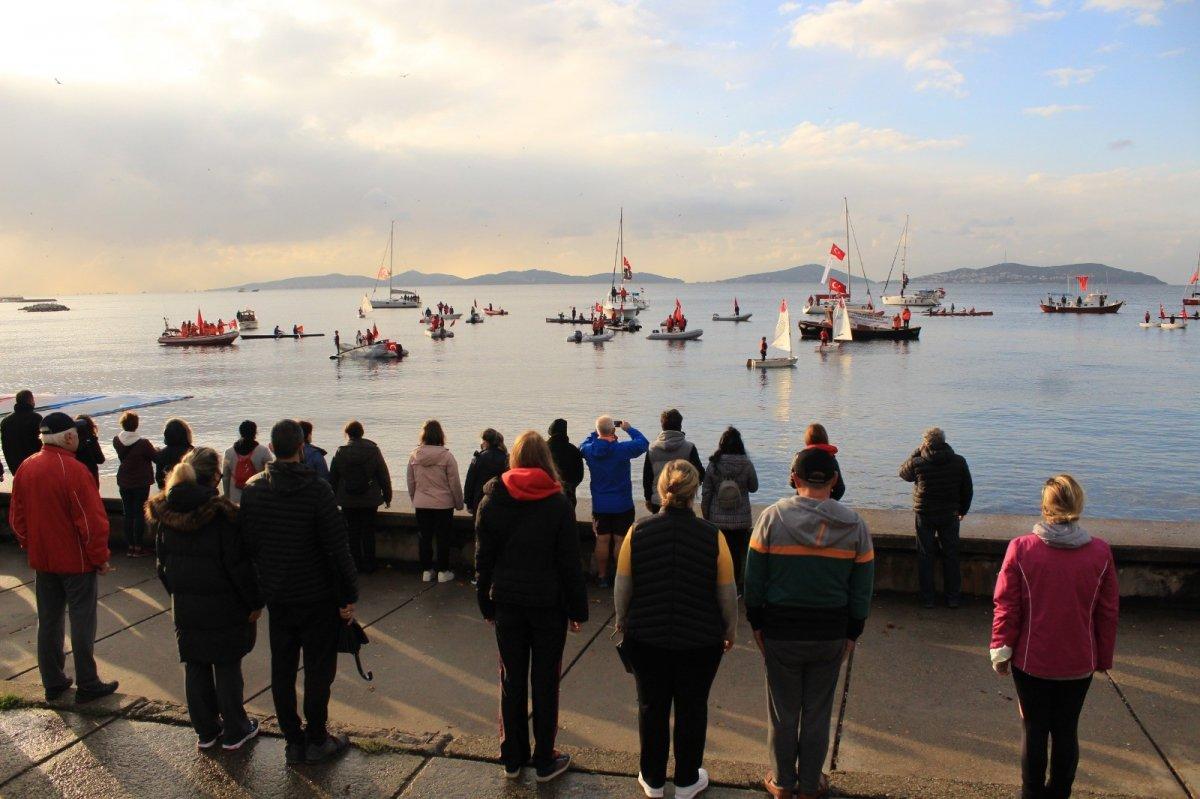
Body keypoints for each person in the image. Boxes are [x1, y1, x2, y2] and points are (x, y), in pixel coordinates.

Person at [745, 448, 874, 799]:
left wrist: (757, 623)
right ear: (834, 480)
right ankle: (811, 783)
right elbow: (862, 589)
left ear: (794, 478)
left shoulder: (772, 519)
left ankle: (782, 782)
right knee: (818, 712)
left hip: (781, 630)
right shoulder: (855, 525)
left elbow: (753, 581)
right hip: (830, 633)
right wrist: (853, 631)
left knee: (782, 712)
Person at [239, 420, 358, 766]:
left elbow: (247, 546)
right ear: (302, 448)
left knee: (282, 669)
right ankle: (317, 738)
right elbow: (337, 548)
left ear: (271, 449)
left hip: (278, 595)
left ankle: (293, 740)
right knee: (319, 670)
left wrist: (257, 593)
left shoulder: (254, 489)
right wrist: (348, 595)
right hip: (317, 595)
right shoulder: (317, 490)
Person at [991, 475, 1118, 799]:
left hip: (1031, 660)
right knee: (1066, 730)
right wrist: (1103, 657)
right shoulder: (1100, 553)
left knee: (1034, 729)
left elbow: (1007, 606)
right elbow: (1107, 612)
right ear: (1078, 504)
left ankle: (1031, 793)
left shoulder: (1021, 549)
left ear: (1045, 506)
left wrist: (1001, 649)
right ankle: (1060, 793)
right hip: (1079, 661)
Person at [615, 461, 737, 799]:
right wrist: (729, 630)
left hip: (646, 637)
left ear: (661, 489)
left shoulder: (637, 532)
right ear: (695, 491)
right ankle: (686, 779)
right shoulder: (713, 536)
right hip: (700, 640)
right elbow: (726, 592)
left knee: (651, 706)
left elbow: (623, 586)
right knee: (692, 707)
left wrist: (623, 620)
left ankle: (653, 779)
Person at [475, 431, 586, 783]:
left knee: (511, 679)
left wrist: (486, 605)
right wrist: (577, 611)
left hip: (507, 602)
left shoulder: (492, 500)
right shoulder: (558, 503)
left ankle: (512, 756)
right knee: (545, 681)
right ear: (545, 460)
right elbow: (569, 563)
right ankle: (544, 759)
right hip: (548, 604)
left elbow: (483, 560)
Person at [147, 447, 263, 751]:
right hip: (225, 604)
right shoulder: (223, 515)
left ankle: (206, 730)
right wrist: (254, 602)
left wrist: (178, 594)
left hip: (186, 604)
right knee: (226, 666)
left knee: (195, 665)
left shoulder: (166, 514)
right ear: (214, 477)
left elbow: (161, 566)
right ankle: (236, 729)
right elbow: (239, 567)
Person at [7, 412, 118, 703]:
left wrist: (30, 544)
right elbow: (91, 522)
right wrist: (100, 557)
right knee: (82, 621)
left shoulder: (27, 467)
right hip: (76, 561)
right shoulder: (74, 471)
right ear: (69, 437)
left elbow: (17, 519)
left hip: (43, 560)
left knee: (49, 620)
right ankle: (88, 682)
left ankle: (53, 681)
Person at [899, 427, 973, 609]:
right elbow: (967, 489)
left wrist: (916, 451)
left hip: (925, 514)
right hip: (950, 514)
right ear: (943, 441)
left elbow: (903, 474)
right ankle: (953, 598)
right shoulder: (959, 461)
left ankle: (928, 599)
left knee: (925, 555)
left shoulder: (918, 462)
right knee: (951, 555)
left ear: (926, 443)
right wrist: (962, 510)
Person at [580, 416, 649, 588]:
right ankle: (620, 577)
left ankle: (602, 576)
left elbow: (583, 444)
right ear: (613, 430)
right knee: (620, 540)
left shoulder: (589, 450)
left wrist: (596, 432)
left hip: (600, 504)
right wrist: (628, 429)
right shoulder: (622, 449)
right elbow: (643, 443)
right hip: (622, 503)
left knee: (602, 540)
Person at [700, 427, 758, 596]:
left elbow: (706, 492)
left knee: (719, 553)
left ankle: (717, 586)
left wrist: (706, 514)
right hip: (741, 519)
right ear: (740, 444)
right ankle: (736, 588)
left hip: (717, 519)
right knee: (737, 554)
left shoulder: (714, 464)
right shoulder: (746, 464)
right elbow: (754, 487)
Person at [329, 420, 392, 574]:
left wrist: (332, 499)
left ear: (347, 434)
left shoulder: (340, 452)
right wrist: (387, 496)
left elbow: (333, 478)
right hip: (369, 499)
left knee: (352, 532)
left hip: (347, 499)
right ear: (362, 433)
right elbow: (383, 475)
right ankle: (370, 564)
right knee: (368, 532)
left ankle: (355, 564)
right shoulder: (373, 451)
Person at [406, 420, 465, 583]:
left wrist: (415, 499)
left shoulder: (414, 455)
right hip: (443, 504)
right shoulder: (447, 456)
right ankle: (443, 571)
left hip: (422, 503)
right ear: (441, 435)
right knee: (443, 537)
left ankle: (426, 570)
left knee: (424, 537)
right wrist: (459, 503)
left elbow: (410, 482)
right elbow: (454, 483)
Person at [113, 412, 158, 557]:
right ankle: (139, 547)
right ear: (136, 425)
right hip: (140, 482)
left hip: (124, 480)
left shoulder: (116, 441)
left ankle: (130, 547)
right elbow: (156, 458)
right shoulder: (143, 443)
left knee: (128, 513)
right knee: (139, 514)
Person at [643, 409, 705, 514]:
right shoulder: (689, 447)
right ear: (680, 426)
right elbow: (700, 474)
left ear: (662, 426)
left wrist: (648, 499)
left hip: (658, 500)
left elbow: (647, 478)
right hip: (682, 500)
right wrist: (689, 490)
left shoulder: (652, 448)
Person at [221, 420, 273, 505]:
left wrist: (227, 495)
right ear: (255, 433)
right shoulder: (263, 451)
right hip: (257, 496)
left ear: (240, 433)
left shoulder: (229, 452)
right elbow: (272, 473)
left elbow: (226, 477)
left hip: (235, 498)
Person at [463, 429, 509, 515]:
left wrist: (468, 503)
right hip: (501, 503)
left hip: (479, 502)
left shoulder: (478, 458)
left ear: (485, 441)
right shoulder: (506, 458)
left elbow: (469, 482)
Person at [1, 389, 42, 476]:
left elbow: (5, 447)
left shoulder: (5, 421)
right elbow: (41, 443)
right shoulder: (36, 418)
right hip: (34, 465)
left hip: (15, 467)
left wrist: (12, 467)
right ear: (30, 400)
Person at [803, 423, 846, 501]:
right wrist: (828, 502)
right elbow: (840, 488)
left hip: (803, 501)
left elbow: (793, 483)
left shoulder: (800, 458)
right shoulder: (831, 459)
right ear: (825, 438)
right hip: (825, 500)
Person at [547, 419, 584, 506]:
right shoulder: (574, 450)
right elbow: (579, 476)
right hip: (568, 498)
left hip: (546, 497)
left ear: (550, 433)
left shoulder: (542, 449)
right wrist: (570, 487)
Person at [154, 418, 194, 490]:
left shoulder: (162, 454)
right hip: (192, 491)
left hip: (168, 492)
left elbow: (159, 479)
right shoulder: (193, 452)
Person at [73, 415, 105, 487]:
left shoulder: (72, 442)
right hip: (91, 475)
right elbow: (101, 459)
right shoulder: (91, 440)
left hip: (76, 477)